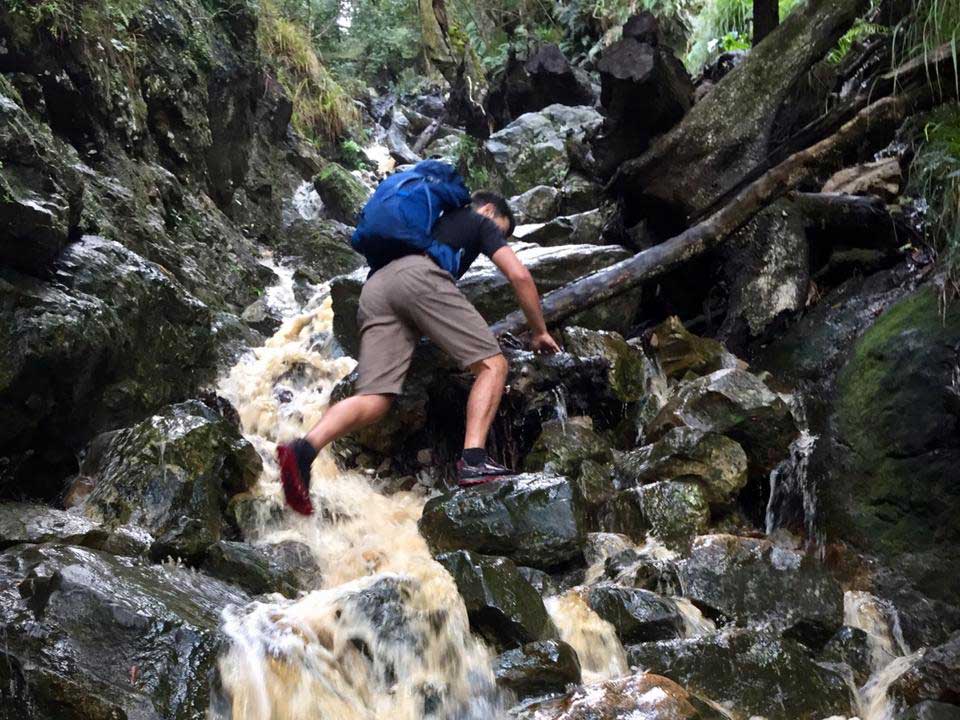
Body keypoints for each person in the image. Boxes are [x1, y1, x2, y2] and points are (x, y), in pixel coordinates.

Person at [277, 191, 560, 515]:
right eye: (502, 230)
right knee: (493, 365)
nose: (497, 238)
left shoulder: (427, 226)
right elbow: (519, 275)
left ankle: (303, 450)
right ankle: (474, 461)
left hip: (376, 288)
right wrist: (539, 331)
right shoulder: (479, 219)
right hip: (419, 279)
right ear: (488, 209)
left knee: (376, 399)